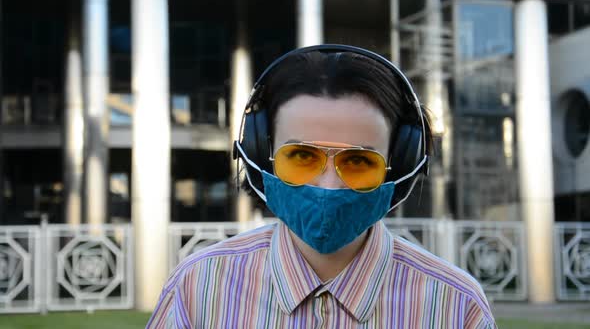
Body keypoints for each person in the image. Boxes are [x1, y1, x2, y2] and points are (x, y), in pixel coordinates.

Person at [147, 45, 497, 328]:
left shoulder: (456, 305)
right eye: (300, 155)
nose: (328, 186)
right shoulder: (198, 286)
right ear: (259, 155)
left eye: (359, 161)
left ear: (401, 167)